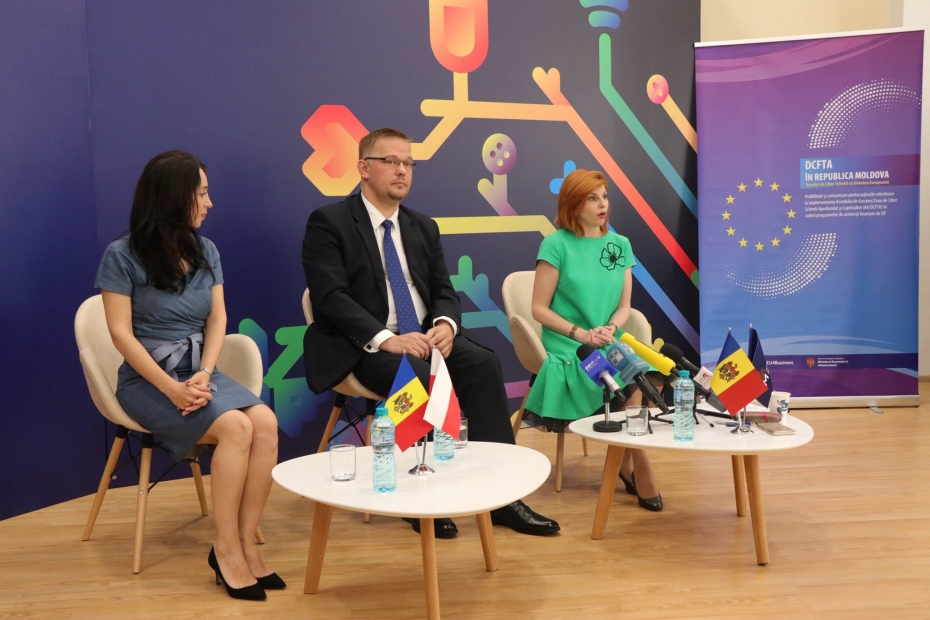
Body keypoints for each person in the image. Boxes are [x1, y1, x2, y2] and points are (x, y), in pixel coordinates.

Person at [302, 127, 560, 538]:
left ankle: (502, 496)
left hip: (424, 338)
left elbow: (443, 290)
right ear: (364, 168)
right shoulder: (329, 222)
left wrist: (445, 325)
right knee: (416, 378)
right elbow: (330, 297)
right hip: (366, 347)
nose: (402, 171)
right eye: (391, 162)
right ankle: (417, 493)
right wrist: (387, 339)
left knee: (482, 364)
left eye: (409, 163)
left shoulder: (422, 226)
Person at [95, 151, 282, 600]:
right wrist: (171, 389)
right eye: (201, 193)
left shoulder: (205, 250)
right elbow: (120, 335)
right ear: (173, 196)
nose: (209, 203)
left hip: (197, 374)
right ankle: (226, 549)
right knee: (236, 427)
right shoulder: (121, 256)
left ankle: (245, 542)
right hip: (147, 381)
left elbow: (217, 319)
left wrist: (203, 372)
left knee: (265, 422)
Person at [525, 169, 664, 512]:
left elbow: (624, 307)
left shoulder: (620, 244)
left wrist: (610, 329)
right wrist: (582, 333)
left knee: (641, 372)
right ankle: (640, 467)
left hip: (608, 337)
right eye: (592, 198)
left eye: (604, 196)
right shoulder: (555, 244)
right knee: (629, 378)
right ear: (573, 204)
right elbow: (539, 309)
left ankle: (627, 463)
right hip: (570, 342)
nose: (603, 205)